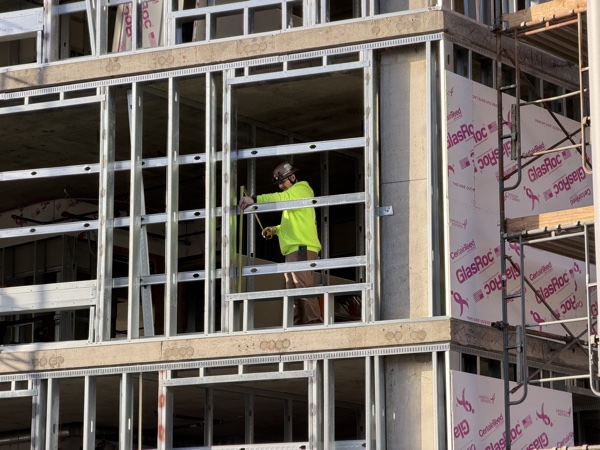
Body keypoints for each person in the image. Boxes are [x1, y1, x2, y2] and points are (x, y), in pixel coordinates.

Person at [239, 161, 323, 325]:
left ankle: (314, 322)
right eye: (278, 183)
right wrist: (275, 229)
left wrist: (254, 199)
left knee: (303, 286)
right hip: (294, 249)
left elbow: (280, 198)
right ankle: (298, 323)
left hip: (301, 247)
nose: (281, 187)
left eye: (282, 182)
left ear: (292, 177)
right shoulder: (294, 198)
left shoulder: (301, 189)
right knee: (293, 289)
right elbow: (291, 224)